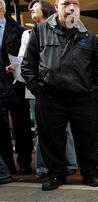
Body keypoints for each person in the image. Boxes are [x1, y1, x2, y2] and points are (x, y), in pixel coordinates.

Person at [21, 0, 98, 191]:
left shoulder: (89, 37)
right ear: (56, 6)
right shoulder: (39, 32)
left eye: (74, 4)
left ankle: (90, 172)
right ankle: (56, 174)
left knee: (87, 137)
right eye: (65, 3)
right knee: (52, 138)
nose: (70, 7)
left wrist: (94, 95)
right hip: (50, 97)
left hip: (83, 98)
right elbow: (28, 66)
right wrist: (40, 91)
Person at [17, 0, 77, 180]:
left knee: (64, 127)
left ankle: (70, 162)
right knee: (41, 128)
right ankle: (44, 166)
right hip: (38, 90)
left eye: (35, 7)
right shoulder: (28, 34)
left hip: (60, 88)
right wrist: (35, 86)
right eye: (30, 9)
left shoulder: (62, 30)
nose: (32, 10)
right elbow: (24, 61)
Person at [0, 0, 33, 175]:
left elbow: (26, 56)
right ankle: (7, 165)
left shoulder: (20, 31)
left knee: (21, 124)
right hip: (0, 82)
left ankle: (25, 161)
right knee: (2, 125)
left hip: (16, 82)